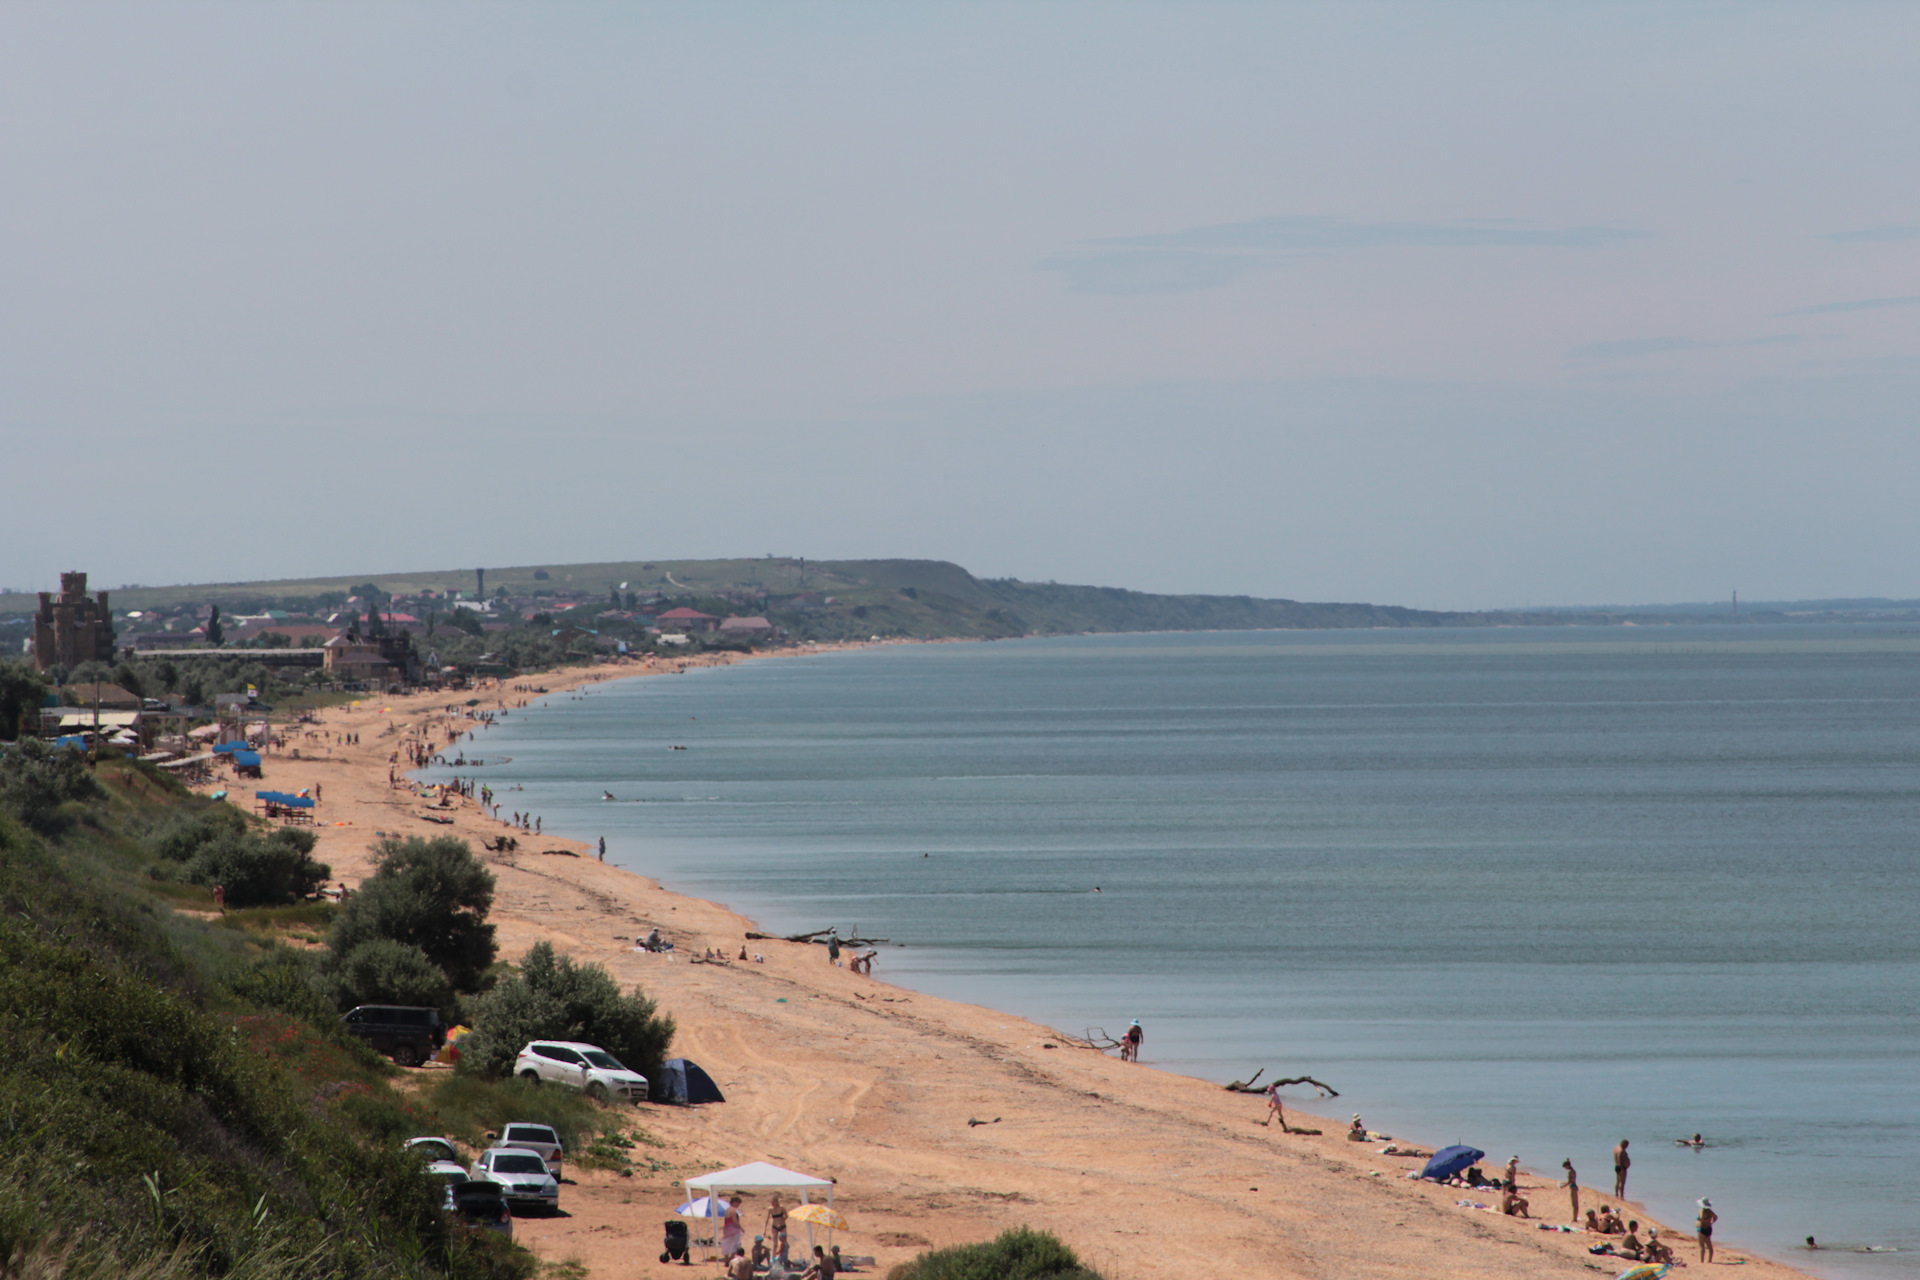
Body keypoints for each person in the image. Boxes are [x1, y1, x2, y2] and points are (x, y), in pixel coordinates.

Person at [765, 1194, 788, 1262]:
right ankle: (774, 1257)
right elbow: (768, 1218)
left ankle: (783, 1257)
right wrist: (765, 1229)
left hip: (782, 1225)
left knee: (784, 1242)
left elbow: (786, 1215)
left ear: (776, 1202)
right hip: (774, 1226)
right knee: (775, 1243)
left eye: (773, 1202)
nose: (772, 1203)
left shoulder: (781, 1208)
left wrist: (782, 1220)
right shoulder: (770, 1209)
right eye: (771, 1202)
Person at [721, 1194, 744, 1259]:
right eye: (738, 1203)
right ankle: (731, 1259)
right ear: (734, 1202)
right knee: (735, 1245)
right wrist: (741, 1228)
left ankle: (726, 1260)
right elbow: (735, 1221)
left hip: (727, 1229)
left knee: (727, 1245)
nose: (738, 1205)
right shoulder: (733, 1210)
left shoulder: (727, 1210)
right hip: (733, 1229)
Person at [1697, 1198, 1717, 1263]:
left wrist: (1702, 1220)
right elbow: (1715, 1217)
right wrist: (1711, 1222)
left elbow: (1702, 1218)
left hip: (1701, 1228)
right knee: (1709, 1245)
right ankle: (1709, 1260)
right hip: (1708, 1228)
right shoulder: (1709, 1211)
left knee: (1701, 1246)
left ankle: (1701, 1261)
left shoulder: (1701, 1210)